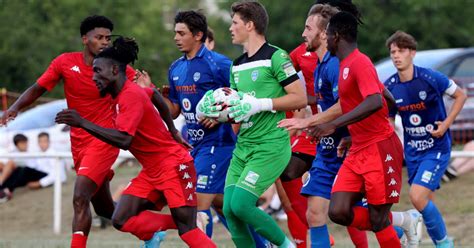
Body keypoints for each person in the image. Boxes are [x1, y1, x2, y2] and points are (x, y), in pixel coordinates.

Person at [55, 37, 216, 248]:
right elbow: (154, 95)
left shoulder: (129, 96)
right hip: (152, 171)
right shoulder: (124, 93)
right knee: (120, 219)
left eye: (98, 71)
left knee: (188, 233)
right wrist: (173, 130)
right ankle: (186, 221)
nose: (93, 77)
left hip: (174, 166)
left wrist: (82, 122)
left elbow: (124, 139)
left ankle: (188, 223)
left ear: (114, 70)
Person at [0, 16, 136, 247]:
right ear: (85, 39)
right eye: (99, 37)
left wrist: (164, 104)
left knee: (79, 195)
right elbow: (38, 87)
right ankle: (151, 230)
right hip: (79, 142)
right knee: (105, 209)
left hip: (104, 140)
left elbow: (145, 92)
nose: (104, 42)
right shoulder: (65, 63)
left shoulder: (117, 67)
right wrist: (14, 108)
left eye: (107, 38)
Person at [280, 11, 405, 247]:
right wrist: (350, 133)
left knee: (378, 220)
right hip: (356, 147)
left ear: (335, 36)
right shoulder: (339, 65)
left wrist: (333, 125)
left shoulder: (360, 62)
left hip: (379, 148)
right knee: (337, 211)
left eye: (326, 33)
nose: (324, 38)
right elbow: (361, 101)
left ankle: (399, 224)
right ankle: (399, 223)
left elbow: (375, 100)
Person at [199, 1, 307, 247]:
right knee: (229, 209)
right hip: (243, 147)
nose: (230, 28)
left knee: (241, 204)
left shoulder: (276, 56)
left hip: (271, 145)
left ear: (250, 25)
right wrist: (217, 114)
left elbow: (299, 98)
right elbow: (236, 109)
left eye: (235, 22)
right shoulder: (236, 65)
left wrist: (260, 104)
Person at [384, 31, 467, 247]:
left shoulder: (430, 78)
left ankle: (444, 242)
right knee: (426, 200)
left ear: (412, 53)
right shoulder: (390, 86)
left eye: (401, 51)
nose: (396, 56)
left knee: (417, 196)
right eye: (392, 52)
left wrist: (446, 124)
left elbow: (461, 95)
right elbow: (389, 121)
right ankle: (436, 240)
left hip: (436, 148)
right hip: (412, 152)